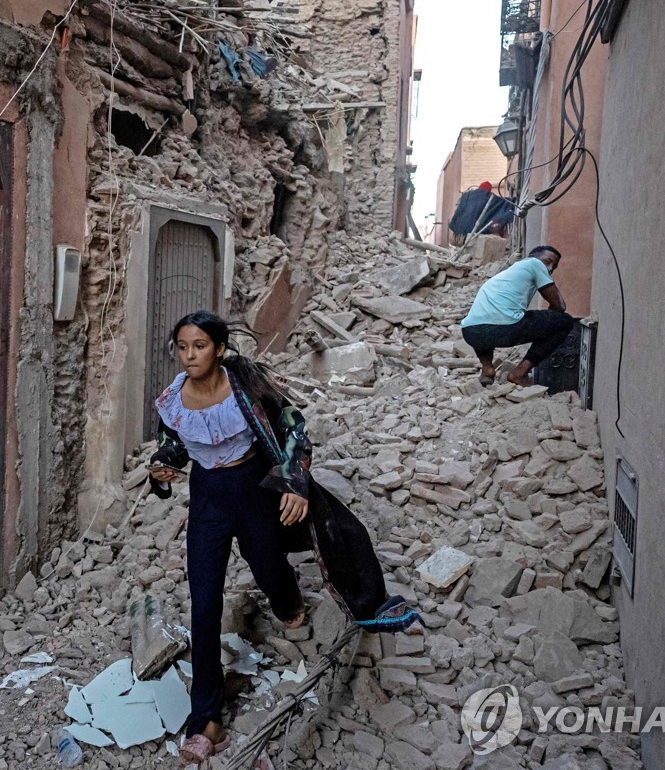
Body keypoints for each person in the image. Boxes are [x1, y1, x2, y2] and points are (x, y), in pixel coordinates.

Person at [148, 311, 421, 766]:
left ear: (217, 348)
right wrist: (163, 466)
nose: (189, 355)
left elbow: (295, 429)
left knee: (267, 561)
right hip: (209, 501)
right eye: (182, 346)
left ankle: (288, 601)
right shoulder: (173, 400)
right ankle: (206, 719)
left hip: (255, 490)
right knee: (204, 601)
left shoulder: (248, 390)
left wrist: (294, 483)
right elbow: (172, 446)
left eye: (198, 346)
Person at [460, 245, 575, 386]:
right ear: (533, 257)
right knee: (565, 322)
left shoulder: (507, 274)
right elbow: (560, 306)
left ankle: (488, 369)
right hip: (503, 328)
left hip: (470, 332)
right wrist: (551, 319)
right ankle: (519, 373)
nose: (550, 268)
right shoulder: (534, 263)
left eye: (554, 267)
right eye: (548, 261)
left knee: (487, 321)